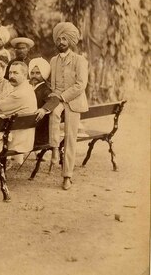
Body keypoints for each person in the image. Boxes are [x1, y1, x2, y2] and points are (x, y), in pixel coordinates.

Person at [48, 22, 88, 190]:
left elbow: (80, 85)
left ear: (71, 41)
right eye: (59, 39)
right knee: (53, 114)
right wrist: (55, 94)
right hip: (59, 98)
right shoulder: (53, 60)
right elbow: (53, 84)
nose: (61, 42)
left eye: (64, 39)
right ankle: (55, 149)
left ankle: (67, 176)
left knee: (71, 137)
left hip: (73, 101)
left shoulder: (79, 60)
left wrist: (64, 96)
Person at [29, 58, 59, 147]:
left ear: (44, 74)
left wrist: (43, 109)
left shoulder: (45, 89)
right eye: (32, 73)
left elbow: (54, 99)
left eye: (38, 73)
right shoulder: (28, 87)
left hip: (38, 132)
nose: (34, 76)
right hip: (28, 125)